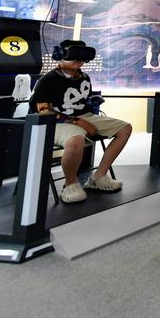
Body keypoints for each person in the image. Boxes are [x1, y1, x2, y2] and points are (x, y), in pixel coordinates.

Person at [30, 40, 131, 204]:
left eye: (82, 57)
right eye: (74, 56)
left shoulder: (84, 77)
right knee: (76, 139)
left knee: (124, 129)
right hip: (55, 122)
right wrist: (78, 121)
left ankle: (98, 177)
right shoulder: (47, 80)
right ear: (60, 55)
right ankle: (70, 184)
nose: (79, 61)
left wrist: (92, 103)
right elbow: (44, 111)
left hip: (84, 116)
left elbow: (83, 101)